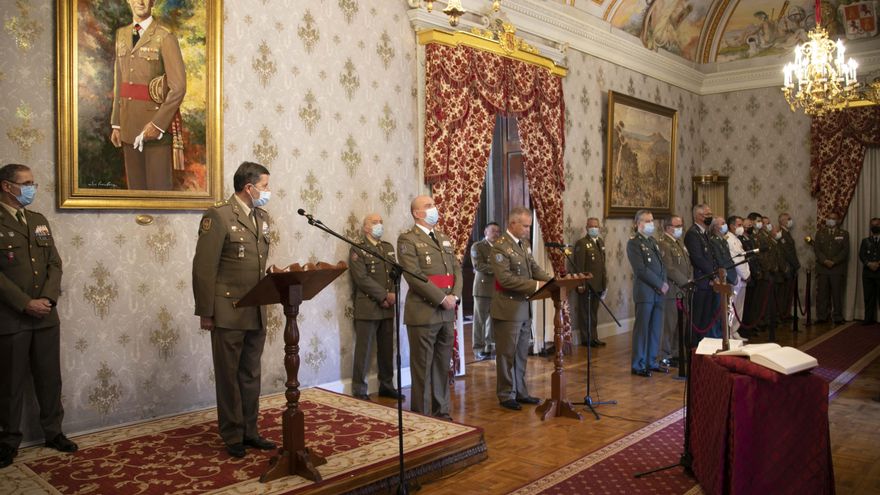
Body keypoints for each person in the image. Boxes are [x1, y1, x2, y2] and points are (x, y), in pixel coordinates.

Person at [192, 161, 275, 458]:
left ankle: (251, 431)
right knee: (228, 376)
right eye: (264, 187)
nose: (268, 192)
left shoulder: (261, 217)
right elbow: (204, 268)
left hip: (255, 309)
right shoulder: (218, 216)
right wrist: (206, 311)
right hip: (227, 309)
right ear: (249, 187)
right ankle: (232, 433)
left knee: (251, 374)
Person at [0, 164, 78, 469]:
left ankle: (53, 432)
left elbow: (54, 264)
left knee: (50, 379)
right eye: (27, 183)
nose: (33, 188)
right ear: (7, 186)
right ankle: (7, 442)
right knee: (10, 383)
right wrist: (24, 303)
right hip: (11, 318)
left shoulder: (38, 220)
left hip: (45, 317)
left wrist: (47, 298)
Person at [110, 0, 186, 191]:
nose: (140, 2)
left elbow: (178, 88)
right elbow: (120, 82)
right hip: (127, 128)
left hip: (154, 130)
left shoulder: (165, 37)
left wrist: (158, 125)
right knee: (134, 194)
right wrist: (117, 123)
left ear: (153, 2)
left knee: (158, 193)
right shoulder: (121, 34)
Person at [397, 196, 462, 420]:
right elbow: (414, 276)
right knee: (422, 367)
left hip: (446, 312)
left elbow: (456, 270)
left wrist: (455, 295)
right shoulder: (407, 240)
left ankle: (441, 411)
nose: (434, 209)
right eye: (428, 206)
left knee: (442, 365)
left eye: (433, 205)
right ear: (417, 213)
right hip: (423, 313)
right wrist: (441, 298)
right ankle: (422, 415)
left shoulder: (443, 238)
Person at [489, 207, 552, 409]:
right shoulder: (500, 247)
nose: (527, 230)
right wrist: (535, 286)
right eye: (525, 226)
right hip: (507, 309)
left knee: (521, 353)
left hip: (523, 308)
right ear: (512, 224)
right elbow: (505, 279)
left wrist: (552, 281)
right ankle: (506, 394)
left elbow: (534, 268)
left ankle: (521, 391)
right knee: (507, 354)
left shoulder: (523, 244)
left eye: (529, 226)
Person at [348, 213, 402, 401]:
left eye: (381, 222)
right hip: (368, 307)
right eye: (374, 222)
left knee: (387, 350)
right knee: (364, 349)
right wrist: (383, 296)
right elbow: (361, 278)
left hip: (388, 307)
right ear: (366, 228)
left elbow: (395, 272)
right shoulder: (358, 249)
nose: (379, 225)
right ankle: (359, 389)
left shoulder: (388, 248)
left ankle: (387, 385)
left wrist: (393, 295)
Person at [627, 210, 668, 377]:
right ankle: (638, 364)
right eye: (647, 220)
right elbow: (641, 269)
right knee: (642, 329)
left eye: (652, 220)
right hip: (645, 292)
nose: (651, 223)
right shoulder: (634, 243)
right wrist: (659, 284)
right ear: (638, 223)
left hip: (658, 292)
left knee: (655, 328)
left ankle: (652, 361)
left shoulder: (652, 241)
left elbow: (661, 265)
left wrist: (663, 283)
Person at [656, 215, 691, 367]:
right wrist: (685, 281)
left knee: (680, 324)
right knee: (669, 325)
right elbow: (669, 268)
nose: (680, 228)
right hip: (672, 290)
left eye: (681, 225)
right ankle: (665, 354)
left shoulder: (678, 243)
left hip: (683, 290)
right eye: (677, 226)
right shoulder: (664, 244)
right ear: (668, 227)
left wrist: (689, 280)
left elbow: (686, 265)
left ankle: (677, 353)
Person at [684, 204, 720, 344]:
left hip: (709, 283)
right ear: (698, 216)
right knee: (697, 319)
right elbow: (698, 259)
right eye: (707, 214)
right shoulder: (693, 234)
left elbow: (710, 257)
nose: (710, 217)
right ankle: (692, 348)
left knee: (706, 319)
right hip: (701, 282)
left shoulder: (704, 233)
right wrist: (713, 274)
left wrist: (716, 274)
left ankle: (702, 346)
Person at [573, 217, 607, 347]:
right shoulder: (582, 243)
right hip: (587, 285)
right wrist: (581, 284)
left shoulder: (600, 242)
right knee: (585, 313)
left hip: (598, 284)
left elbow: (603, 265)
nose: (594, 229)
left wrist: (604, 283)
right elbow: (579, 266)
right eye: (592, 226)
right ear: (586, 228)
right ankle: (586, 338)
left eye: (596, 226)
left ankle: (594, 337)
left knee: (594, 313)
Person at [470, 222, 501, 360]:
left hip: (496, 288)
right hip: (482, 288)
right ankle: (478, 349)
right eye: (493, 231)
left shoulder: (500, 248)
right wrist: (498, 269)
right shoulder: (478, 247)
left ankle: (490, 347)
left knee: (493, 320)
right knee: (480, 321)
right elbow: (478, 265)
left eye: (498, 231)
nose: (496, 234)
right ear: (485, 232)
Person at [814, 212, 850, 325]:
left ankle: (838, 317)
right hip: (823, 268)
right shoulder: (820, 233)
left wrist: (833, 261)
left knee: (837, 293)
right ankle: (822, 316)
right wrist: (824, 260)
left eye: (833, 218)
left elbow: (845, 251)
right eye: (829, 218)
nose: (831, 220)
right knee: (822, 294)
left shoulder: (844, 234)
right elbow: (817, 249)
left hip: (837, 268)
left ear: (838, 220)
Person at [725, 216, 751, 341]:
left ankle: (735, 330)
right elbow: (735, 260)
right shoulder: (729, 239)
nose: (742, 227)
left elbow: (744, 258)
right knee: (732, 307)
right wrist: (744, 275)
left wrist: (747, 273)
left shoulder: (737, 240)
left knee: (739, 306)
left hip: (743, 278)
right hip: (735, 278)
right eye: (739, 224)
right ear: (732, 226)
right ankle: (729, 332)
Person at [739, 216, 762, 337]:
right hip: (746, 275)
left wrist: (757, 271)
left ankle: (750, 325)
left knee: (752, 304)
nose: (749, 228)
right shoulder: (740, 239)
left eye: (750, 226)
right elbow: (746, 259)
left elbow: (755, 256)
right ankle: (744, 328)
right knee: (745, 305)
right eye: (747, 226)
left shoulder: (751, 239)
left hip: (753, 275)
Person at [777, 213, 801, 321]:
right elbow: (787, 252)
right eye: (788, 219)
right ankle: (782, 314)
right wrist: (796, 264)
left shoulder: (787, 233)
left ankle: (786, 313)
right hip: (786, 267)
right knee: (784, 293)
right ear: (782, 221)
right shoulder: (781, 234)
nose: (790, 221)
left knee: (788, 292)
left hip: (791, 267)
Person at [858, 218, 880, 324]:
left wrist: (878, 264)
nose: (875, 226)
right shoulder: (865, 241)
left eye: (877, 224)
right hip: (868, 273)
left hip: (879, 272)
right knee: (868, 297)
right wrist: (869, 264)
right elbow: (862, 255)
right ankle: (868, 319)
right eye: (873, 225)